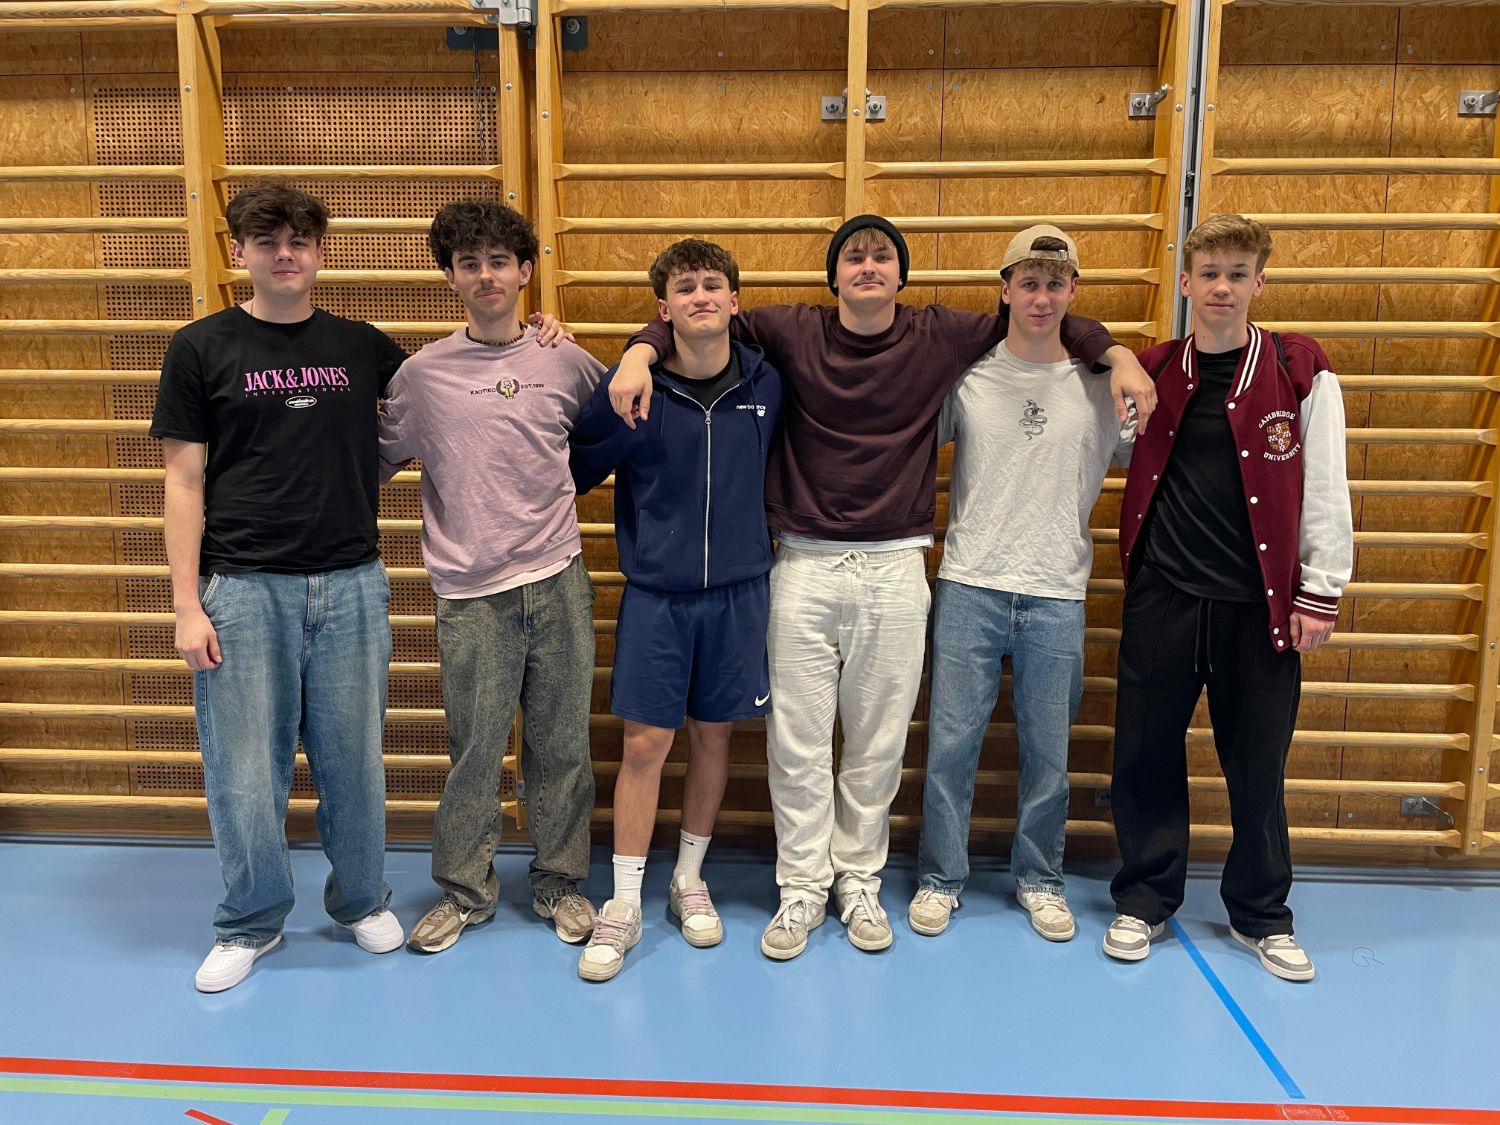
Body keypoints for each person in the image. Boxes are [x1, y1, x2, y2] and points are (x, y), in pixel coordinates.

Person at [605, 215, 1158, 961]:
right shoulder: (790, 329)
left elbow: (1047, 310)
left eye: (882, 256)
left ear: (901, 275)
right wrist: (639, 350)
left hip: (897, 566)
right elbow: (698, 314)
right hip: (802, 563)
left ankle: (858, 883)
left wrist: (1116, 353)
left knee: (876, 744)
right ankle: (802, 887)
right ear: (833, 275)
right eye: (854, 256)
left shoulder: (942, 334)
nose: (868, 265)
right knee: (796, 744)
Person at [153, 183, 406, 992]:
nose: (285, 254)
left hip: (351, 584)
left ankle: (361, 899)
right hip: (243, 588)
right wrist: (187, 605)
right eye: (267, 241)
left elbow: (457, 385)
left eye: (300, 240)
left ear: (321, 252)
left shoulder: (363, 346)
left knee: (354, 762)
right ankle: (251, 921)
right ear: (239, 252)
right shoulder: (200, 348)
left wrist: (540, 334)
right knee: (243, 772)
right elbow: (182, 482)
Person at [1103, 213, 1352, 981]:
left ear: (1258, 283)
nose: (1222, 287)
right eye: (1209, 272)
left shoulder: (1297, 367)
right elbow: (1117, 449)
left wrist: (1319, 589)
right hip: (1166, 594)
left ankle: (1261, 913)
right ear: (1185, 282)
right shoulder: (1154, 369)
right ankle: (1145, 897)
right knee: (1144, 753)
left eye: (1237, 274)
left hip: (1257, 605)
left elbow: (1326, 483)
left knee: (1257, 763)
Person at [379, 200, 601, 955]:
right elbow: (371, 460)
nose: (486, 275)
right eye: (468, 263)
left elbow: (613, 426)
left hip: (558, 577)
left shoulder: (565, 359)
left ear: (526, 270)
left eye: (499, 261)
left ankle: (560, 882)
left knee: (562, 745)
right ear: (450, 277)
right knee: (475, 750)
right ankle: (466, 890)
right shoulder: (422, 376)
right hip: (471, 594)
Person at [910, 226, 1134, 943]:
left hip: (1057, 591)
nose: (1042, 297)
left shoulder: (1103, 385)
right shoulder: (968, 377)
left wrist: (1123, 357)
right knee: (951, 747)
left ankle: (1041, 879)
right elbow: (904, 445)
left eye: (1055, 283)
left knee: (1048, 754)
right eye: (1028, 283)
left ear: (1073, 292)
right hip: (969, 584)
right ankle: (941, 878)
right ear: (1005, 289)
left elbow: (1153, 457)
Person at [567, 238, 783, 981]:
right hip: (657, 597)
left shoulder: (768, 381)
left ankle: (689, 878)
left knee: (714, 738)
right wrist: (631, 360)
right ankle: (624, 900)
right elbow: (574, 467)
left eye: (712, 285)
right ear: (663, 308)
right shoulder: (634, 390)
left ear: (733, 300)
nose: (700, 297)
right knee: (643, 745)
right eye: (684, 288)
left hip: (740, 594)